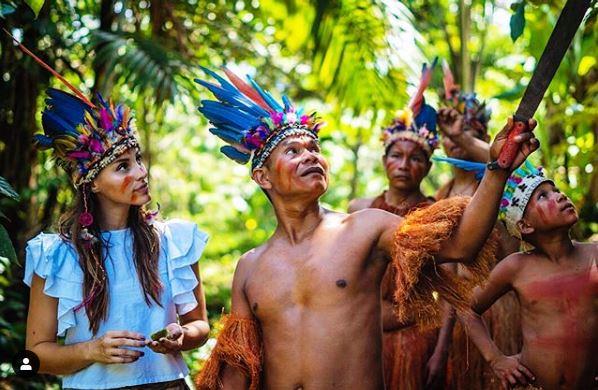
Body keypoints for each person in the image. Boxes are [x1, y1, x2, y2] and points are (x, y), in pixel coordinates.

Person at [193, 66, 538, 389]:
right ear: (262, 176)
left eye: (314, 148)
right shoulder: (250, 267)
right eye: (293, 150)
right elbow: (238, 370)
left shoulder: (364, 228)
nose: (310, 155)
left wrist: (497, 168)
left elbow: (461, 245)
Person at [17, 40, 210, 389]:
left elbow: (201, 326)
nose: (140, 172)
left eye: (137, 159)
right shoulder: (55, 256)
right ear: (91, 183)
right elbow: (31, 358)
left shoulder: (173, 242)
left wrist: (183, 335)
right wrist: (92, 350)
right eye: (123, 167)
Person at [348, 62, 452, 390]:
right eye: (396, 155)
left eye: (416, 158)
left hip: (419, 334)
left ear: (428, 167)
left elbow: (450, 287)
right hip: (370, 335)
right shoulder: (360, 209)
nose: (405, 165)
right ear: (383, 161)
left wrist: (441, 350)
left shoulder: (436, 213)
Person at [458, 162, 597, 390]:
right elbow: (466, 308)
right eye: (543, 196)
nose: (560, 196)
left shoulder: (594, 255)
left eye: (556, 190)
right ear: (524, 225)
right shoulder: (516, 267)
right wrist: (496, 359)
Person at [437, 62, 523, 390]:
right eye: (450, 135)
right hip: (460, 314)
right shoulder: (441, 195)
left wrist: (463, 135)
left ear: (484, 137)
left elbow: (506, 164)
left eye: (470, 130)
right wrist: (442, 342)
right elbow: (446, 276)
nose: (456, 139)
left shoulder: (502, 184)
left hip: (499, 307)